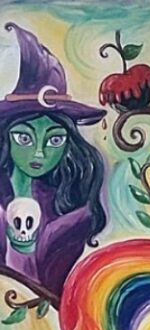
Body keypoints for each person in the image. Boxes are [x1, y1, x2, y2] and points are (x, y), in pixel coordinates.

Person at [0, 24, 107, 295]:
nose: (39, 153)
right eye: (24, 138)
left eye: (55, 140)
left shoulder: (71, 209)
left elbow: (57, 291)